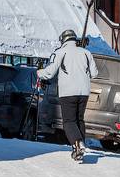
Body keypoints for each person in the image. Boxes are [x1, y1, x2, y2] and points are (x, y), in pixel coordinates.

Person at [37, 29, 97, 163]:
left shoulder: (60, 52)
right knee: (79, 120)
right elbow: (94, 73)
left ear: (63, 40)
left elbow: (50, 72)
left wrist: (39, 72)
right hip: (84, 91)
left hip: (68, 92)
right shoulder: (86, 53)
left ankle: (78, 142)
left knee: (69, 121)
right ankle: (79, 148)